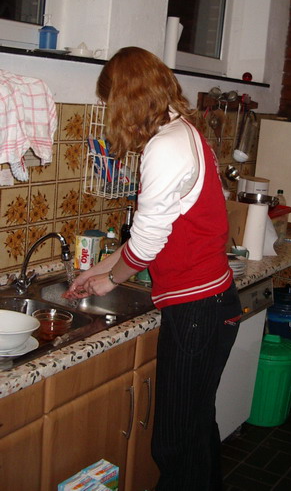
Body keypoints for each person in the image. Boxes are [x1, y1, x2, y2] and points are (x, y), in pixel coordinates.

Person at [64, 46, 241, 490]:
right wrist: (98, 268)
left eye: (109, 102)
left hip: (197, 309)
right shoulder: (184, 132)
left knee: (175, 444)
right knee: (195, 431)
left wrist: (110, 279)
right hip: (212, 301)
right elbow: (150, 234)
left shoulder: (164, 147)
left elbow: (145, 245)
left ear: (124, 99)